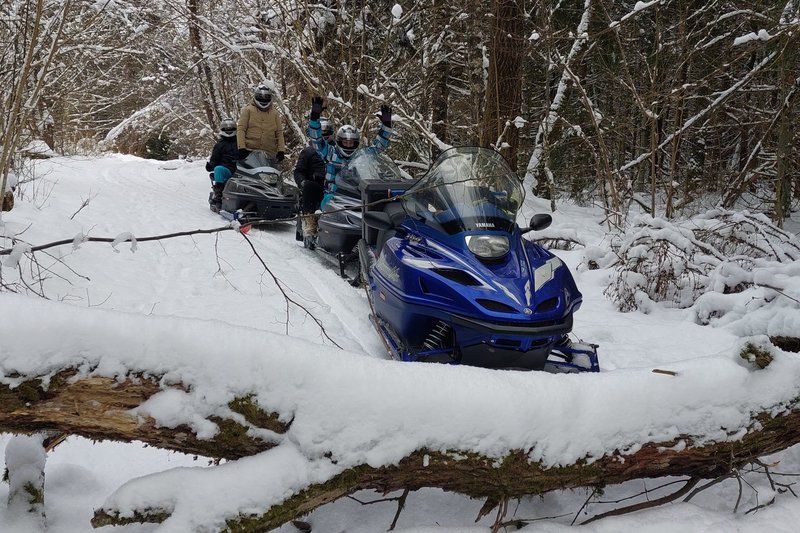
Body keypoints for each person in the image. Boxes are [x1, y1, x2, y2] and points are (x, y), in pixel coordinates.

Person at [304, 96, 393, 248]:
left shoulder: (361, 155)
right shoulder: (330, 152)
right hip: (333, 195)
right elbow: (316, 139)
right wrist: (315, 116)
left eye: (351, 142)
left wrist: (386, 125)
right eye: (345, 141)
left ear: (356, 143)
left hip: (356, 195)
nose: (348, 144)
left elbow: (378, 147)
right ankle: (313, 228)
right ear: (339, 141)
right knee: (326, 205)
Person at [293, 118, 333, 244]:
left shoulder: (336, 150)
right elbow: (299, 171)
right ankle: (309, 222)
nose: (323, 135)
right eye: (321, 133)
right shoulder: (308, 152)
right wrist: (302, 182)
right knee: (310, 187)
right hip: (316, 185)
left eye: (325, 132)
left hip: (335, 184)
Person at [237, 85, 286, 164]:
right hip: (249, 152)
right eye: (261, 97)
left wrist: (281, 150)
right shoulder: (248, 110)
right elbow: (241, 129)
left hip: (269, 153)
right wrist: (241, 147)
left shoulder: (275, 114)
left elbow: (279, 133)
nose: (263, 100)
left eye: (266, 97)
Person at [205, 117, 239, 212]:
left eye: (231, 129)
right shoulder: (219, 145)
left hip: (242, 169)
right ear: (222, 130)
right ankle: (219, 196)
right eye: (226, 129)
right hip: (227, 169)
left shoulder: (242, 143)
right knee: (218, 169)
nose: (228, 131)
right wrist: (210, 166)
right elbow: (214, 160)